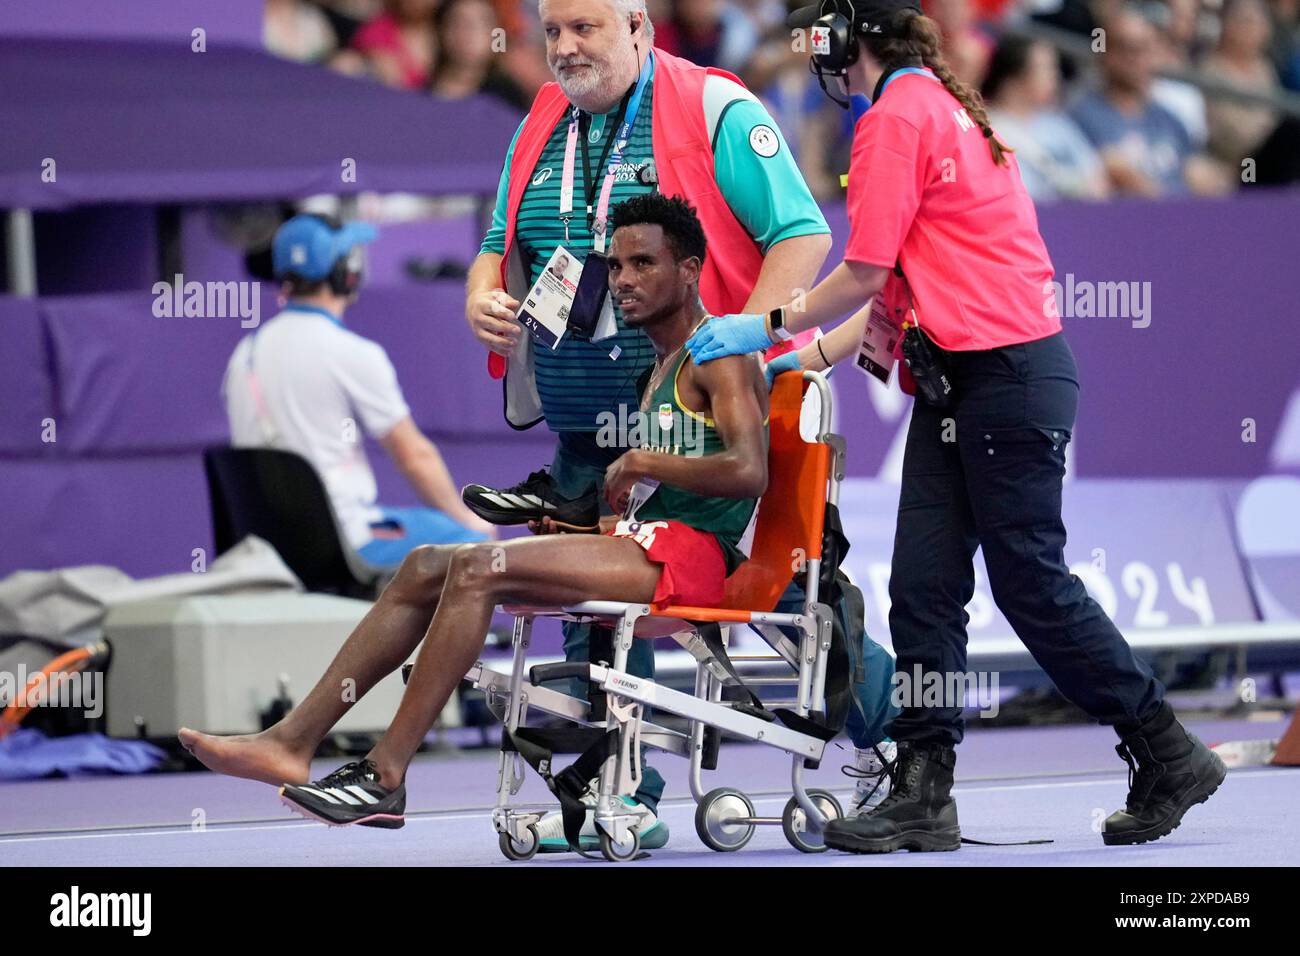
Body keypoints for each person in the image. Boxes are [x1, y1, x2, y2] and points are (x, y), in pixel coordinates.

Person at [686, 0, 1226, 853]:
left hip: (1001, 380)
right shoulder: (927, 103)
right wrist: (809, 354)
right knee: (925, 590)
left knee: (1031, 585)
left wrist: (763, 328)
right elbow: (897, 291)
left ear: (841, 41)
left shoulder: (895, 116)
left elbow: (863, 270)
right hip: (970, 384)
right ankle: (926, 789)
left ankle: (1166, 748)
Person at [180, 195, 770, 834]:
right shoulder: (658, 366)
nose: (623, 280)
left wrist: (646, 464)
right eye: (617, 264)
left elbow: (749, 471)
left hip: (696, 564)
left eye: (643, 263)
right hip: (643, 544)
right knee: (427, 562)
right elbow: (663, 505)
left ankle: (384, 775)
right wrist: (581, 531)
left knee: (478, 567)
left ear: (689, 270)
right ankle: (291, 741)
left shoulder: (719, 353)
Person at [460, 0, 893, 842]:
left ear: (638, 26)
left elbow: (801, 236)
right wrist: (481, 293)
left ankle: (905, 733)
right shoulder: (542, 121)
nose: (566, 47)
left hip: (700, 426)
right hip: (587, 426)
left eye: (585, 28)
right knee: (593, 610)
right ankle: (618, 797)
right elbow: (495, 244)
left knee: (778, 595)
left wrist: (735, 350)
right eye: (552, 31)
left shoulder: (714, 109)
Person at [223, 214, 494, 567]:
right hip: (343, 540)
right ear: (344, 272)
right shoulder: (352, 353)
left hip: (265, 545)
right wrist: (470, 521)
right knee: (476, 547)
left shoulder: (244, 355)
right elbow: (415, 456)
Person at [982, 35, 1109, 201]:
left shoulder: (1058, 125)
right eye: (1046, 68)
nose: (1055, 77)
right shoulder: (986, 129)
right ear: (1012, 79)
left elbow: (1097, 180)